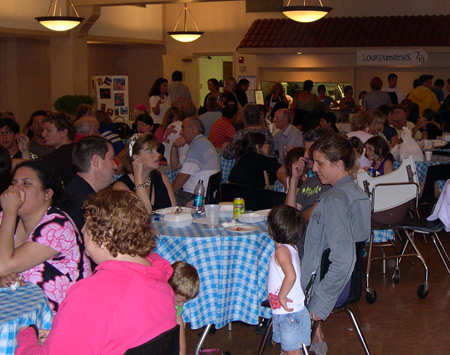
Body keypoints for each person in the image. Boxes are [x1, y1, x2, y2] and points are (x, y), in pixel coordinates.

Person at [16, 189, 177, 354]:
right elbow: (122, 335)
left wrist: (26, 337)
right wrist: (63, 335)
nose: (83, 229)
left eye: (88, 223)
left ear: (106, 236)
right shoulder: (161, 283)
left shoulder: (93, 293)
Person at [301, 134, 371, 352]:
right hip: (350, 283)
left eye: (320, 163)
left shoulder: (334, 200)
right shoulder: (358, 194)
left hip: (326, 287)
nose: (314, 169)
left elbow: (343, 257)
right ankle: (314, 339)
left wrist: (318, 304)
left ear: (338, 164)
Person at [0, 161, 91, 312]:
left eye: (26, 184)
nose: (17, 190)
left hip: (61, 319)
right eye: (14, 183)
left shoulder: (58, 226)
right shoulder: (6, 219)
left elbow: (3, 265)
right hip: (19, 310)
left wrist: (10, 211)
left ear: (47, 194)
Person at [267, 205, 310, 355]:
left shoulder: (281, 252)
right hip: (293, 310)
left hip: (287, 313)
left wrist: (281, 296)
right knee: (288, 350)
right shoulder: (291, 248)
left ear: (271, 231)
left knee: (292, 352)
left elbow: (290, 276)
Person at [62, 136, 117, 236]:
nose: (115, 166)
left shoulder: (78, 191)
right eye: (111, 159)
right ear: (96, 161)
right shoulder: (83, 204)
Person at [114, 133, 176, 214]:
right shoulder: (120, 187)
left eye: (156, 150)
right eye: (151, 151)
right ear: (136, 157)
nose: (158, 154)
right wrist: (138, 177)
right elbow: (144, 215)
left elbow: (174, 211)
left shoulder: (162, 177)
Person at [284, 128, 331, 223]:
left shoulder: (332, 182)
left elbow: (313, 215)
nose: (305, 155)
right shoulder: (310, 181)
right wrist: (294, 179)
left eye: (310, 151)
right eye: (305, 149)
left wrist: (296, 218)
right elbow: (288, 214)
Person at [171, 117, 220, 206]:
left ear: (193, 128)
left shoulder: (199, 145)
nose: (180, 132)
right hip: (198, 195)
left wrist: (168, 193)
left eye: (183, 128)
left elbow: (183, 177)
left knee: (161, 201)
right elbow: (175, 165)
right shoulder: (200, 143)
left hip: (194, 197)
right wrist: (174, 147)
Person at [168, 261, 200, 355]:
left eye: (184, 302)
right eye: (178, 301)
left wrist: (182, 352)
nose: (181, 305)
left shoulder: (177, 308)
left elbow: (181, 340)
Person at [39, 113, 76, 187]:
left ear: (64, 132)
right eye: (43, 130)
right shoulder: (76, 150)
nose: (43, 134)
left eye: (49, 130)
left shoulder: (65, 154)